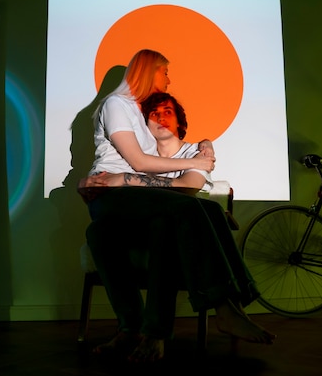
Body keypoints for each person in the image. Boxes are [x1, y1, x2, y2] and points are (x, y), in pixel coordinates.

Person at [78, 49, 274, 362]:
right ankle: (227, 306)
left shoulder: (140, 116)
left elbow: (156, 173)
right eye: (165, 71)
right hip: (110, 196)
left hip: (131, 200)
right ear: (148, 69)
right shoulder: (117, 104)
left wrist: (202, 148)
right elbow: (137, 162)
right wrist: (198, 160)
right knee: (197, 210)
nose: (168, 80)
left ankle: (144, 330)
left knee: (177, 220)